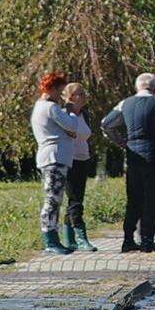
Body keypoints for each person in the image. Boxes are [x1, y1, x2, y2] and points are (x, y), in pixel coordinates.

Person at [100, 72, 155, 253]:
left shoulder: (125, 103)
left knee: (134, 198)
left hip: (132, 155)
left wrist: (119, 140)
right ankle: (147, 240)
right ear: (154, 86)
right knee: (154, 198)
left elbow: (106, 123)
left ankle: (128, 239)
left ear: (137, 86)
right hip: (153, 154)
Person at [30, 72, 88, 256]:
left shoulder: (42, 107)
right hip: (54, 157)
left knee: (55, 199)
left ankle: (53, 238)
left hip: (54, 157)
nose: (61, 95)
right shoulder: (50, 107)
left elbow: (69, 131)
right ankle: (50, 240)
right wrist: (71, 110)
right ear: (52, 89)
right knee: (53, 199)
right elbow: (72, 126)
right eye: (60, 91)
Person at [61, 83, 98, 251]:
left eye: (83, 93)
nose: (83, 96)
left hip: (83, 159)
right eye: (78, 94)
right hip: (69, 160)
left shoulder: (85, 115)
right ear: (69, 97)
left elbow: (86, 134)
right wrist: (69, 111)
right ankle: (82, 237)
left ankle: (69, 239)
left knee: (76, 199)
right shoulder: (64, 115)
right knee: (75, 200)